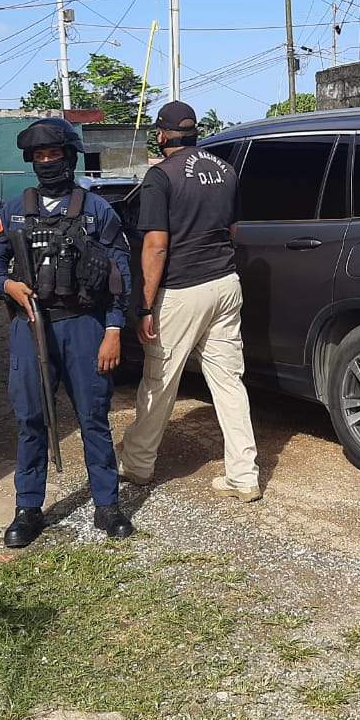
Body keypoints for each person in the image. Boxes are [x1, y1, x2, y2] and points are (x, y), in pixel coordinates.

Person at [0, 117, 135, 546]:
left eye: (54, 154)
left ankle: (107, 505)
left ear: (69, 158)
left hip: (84, 327)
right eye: (40, 156)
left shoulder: (97, 209)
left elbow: (120, 274)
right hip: (30, 326)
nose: (47, 162)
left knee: (94, 418)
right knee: (31, 419)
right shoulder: (13, 210)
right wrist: (6, 285)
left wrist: (113, 329)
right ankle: (28, 508)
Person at [118, 101, 261, 502]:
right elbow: (233, 229)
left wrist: (145, 306)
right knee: (229, 383)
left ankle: (138, 464)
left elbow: (156, 246)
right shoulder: (226, 170)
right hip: (225, 284)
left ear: (162, 134)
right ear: (195, 132)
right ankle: (244, 476)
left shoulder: (160, 176)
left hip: (181, 291)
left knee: (160, 381)